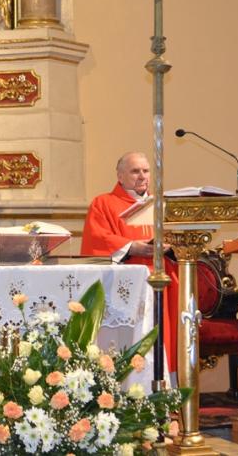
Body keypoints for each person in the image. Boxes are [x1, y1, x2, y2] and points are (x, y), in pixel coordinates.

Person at [80, 151, 179, 372]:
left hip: (162, 280)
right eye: (135, 171)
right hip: (126, 282)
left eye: (146, 171)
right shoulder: (103, 203)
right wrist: (132, 247)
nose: (142, 176)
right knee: (128, 340)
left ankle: (163, 384)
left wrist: (171, 245)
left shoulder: (162, 205)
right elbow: (97, 238)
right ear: (120, 176)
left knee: (162, 336)